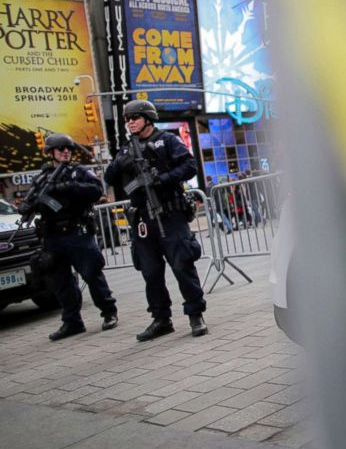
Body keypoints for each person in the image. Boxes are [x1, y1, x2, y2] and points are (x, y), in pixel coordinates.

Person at [104, 100, 208, 341]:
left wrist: (163, 178)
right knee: (150, 272)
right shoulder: (126, 149)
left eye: (135, 118)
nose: (130, 122)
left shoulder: (168, 140)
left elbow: (190, 166)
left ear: (148, 118)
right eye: (127, 119)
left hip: (169, 215)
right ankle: (161, 319)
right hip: (142, 219)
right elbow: (110, 177)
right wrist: (121, 161)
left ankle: (195, 314)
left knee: (182, 265)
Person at [20, 133, 118, 341]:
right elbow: (33, 199)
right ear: (50, 153)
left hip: (77, 232)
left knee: (92, 274)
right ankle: (72, 321)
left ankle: (109, 312)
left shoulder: (78, 173)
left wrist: (69, 187)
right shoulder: (43, 177)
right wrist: (27, 206)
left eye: (69, 149)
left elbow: (96, 190)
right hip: (53, 236)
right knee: (61, 280)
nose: (66, 152)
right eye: (60, 148)